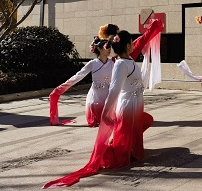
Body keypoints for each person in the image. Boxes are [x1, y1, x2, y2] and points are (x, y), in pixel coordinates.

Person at [43, 20, 163, 188]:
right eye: (105, 45)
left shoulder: (122, 60)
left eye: (109, 45)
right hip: (113, 103)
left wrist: (153, 28)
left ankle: (127, 148)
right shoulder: (114, 63)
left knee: (140, 124)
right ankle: (109, 152)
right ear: (98, 48)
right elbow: (111, 88)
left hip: (132, 103)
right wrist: (59, 90)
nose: (108, 48)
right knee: (123, 136)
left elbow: (140, 42)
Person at [49, 36, 114, 126]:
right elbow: (79, 75)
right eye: (107, 47)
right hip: (96, 94)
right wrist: (63, 87)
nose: (109, 49)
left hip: (108, 93)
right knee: (96, 118)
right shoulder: (93, 63)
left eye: (110, 47)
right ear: (99, 49)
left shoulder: (113, 62)